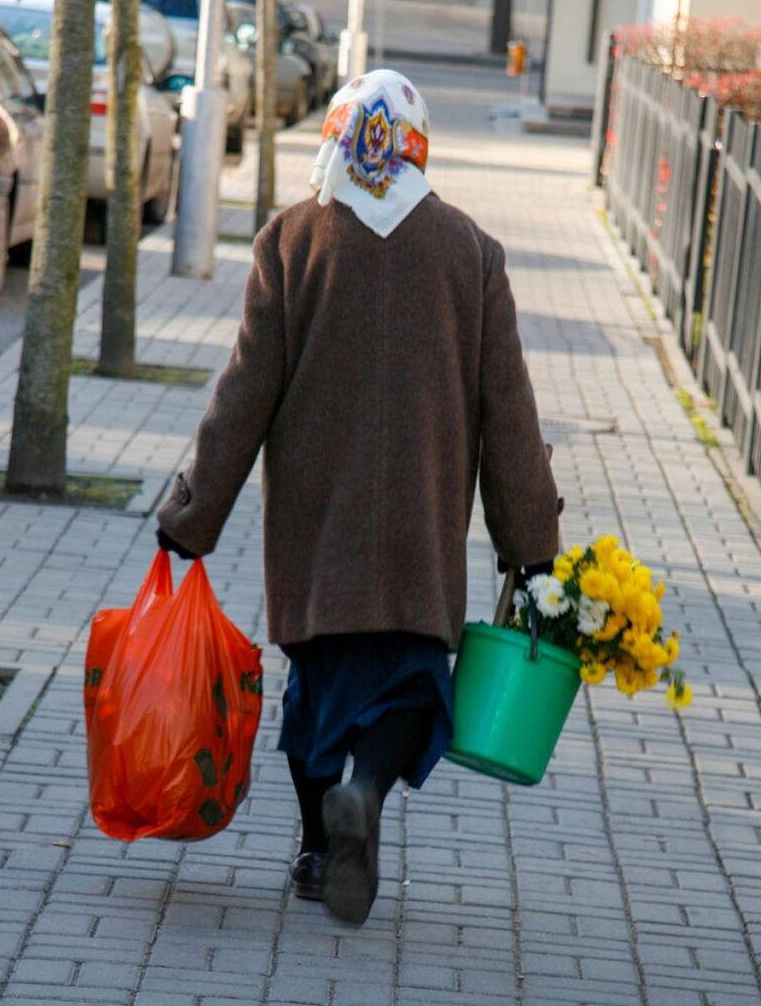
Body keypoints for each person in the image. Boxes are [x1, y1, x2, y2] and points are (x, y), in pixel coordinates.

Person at [155, 69, 560, 925]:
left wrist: (192, 518)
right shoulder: (470, 251)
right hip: (419, 532)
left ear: (337, 139)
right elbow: (509, 412)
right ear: (416, 146)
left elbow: (242, 397)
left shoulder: (289, 241)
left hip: (315, 532)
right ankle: (367, 795)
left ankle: (314, 849)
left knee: (317, 691)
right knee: (414, 695)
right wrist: (528, 546)